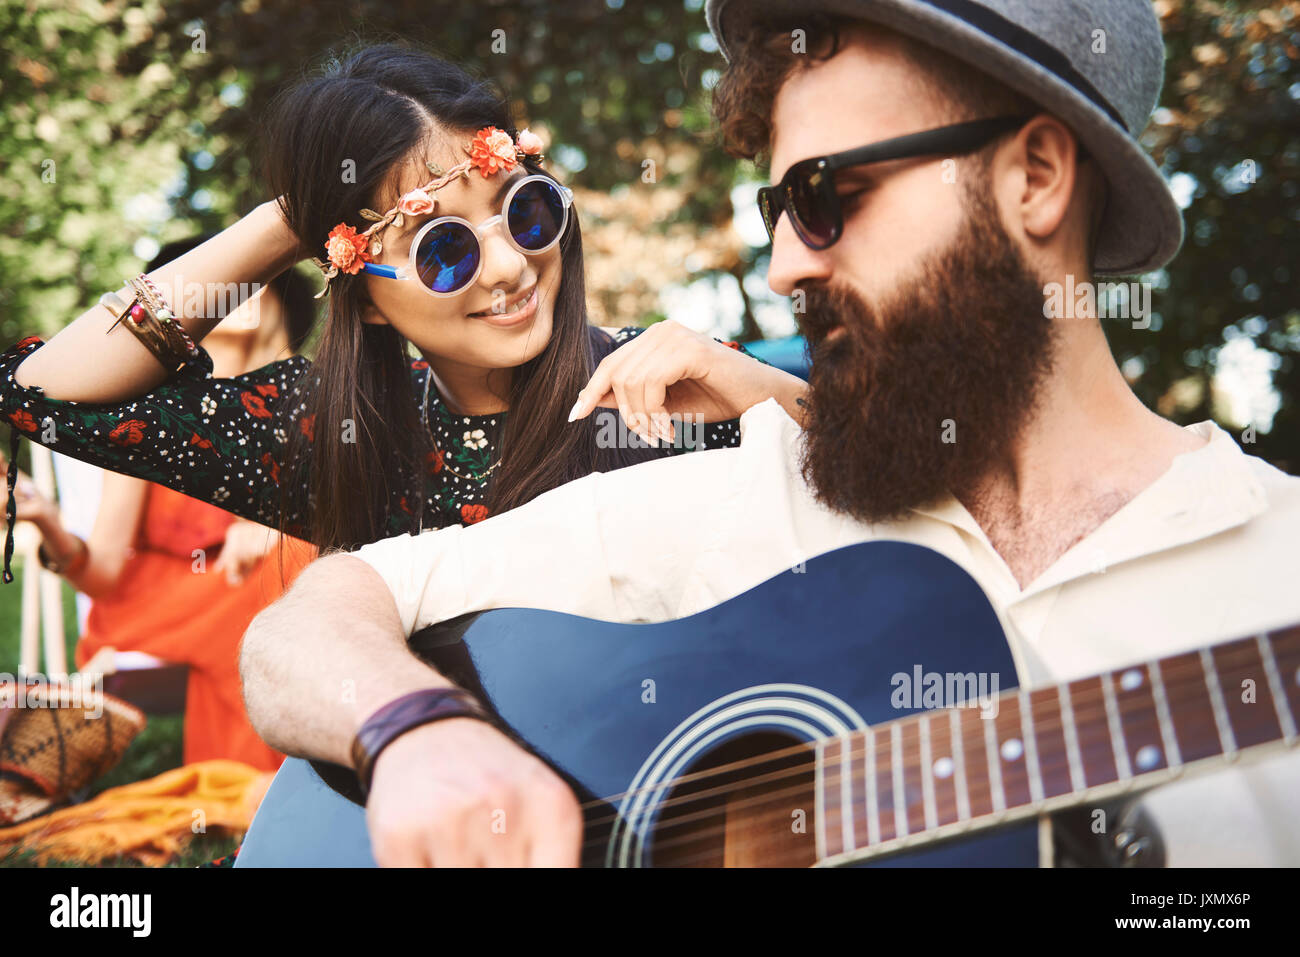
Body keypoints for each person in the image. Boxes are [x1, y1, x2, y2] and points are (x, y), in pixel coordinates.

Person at [239, 0, 1300, 868]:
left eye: (829, 195)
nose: (785, 265)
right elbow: (313, 621)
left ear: (1033, 177)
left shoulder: (1278, 568)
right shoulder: (749, 492)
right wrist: (415, 734)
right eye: (777, 209)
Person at [0, 45, 807, 579]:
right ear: (369, 298)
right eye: (441, 247)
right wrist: (294, 218)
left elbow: (905, 488)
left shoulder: (665, 385)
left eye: (524, 210)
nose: (510, 265)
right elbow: (44, 393)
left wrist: (755, 384)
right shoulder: (337, 440)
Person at [10, 238, 318, 771]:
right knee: (271, 579)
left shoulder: (312, 402)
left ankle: (274, 777)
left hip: (265, 583)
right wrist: (45, 520)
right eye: (216, 278)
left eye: (250, 273)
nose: (234, 283)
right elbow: (105, 571)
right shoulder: (150, 417)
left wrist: (274, 529)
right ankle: (253, 784)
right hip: (154, 602)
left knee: (290, 562)